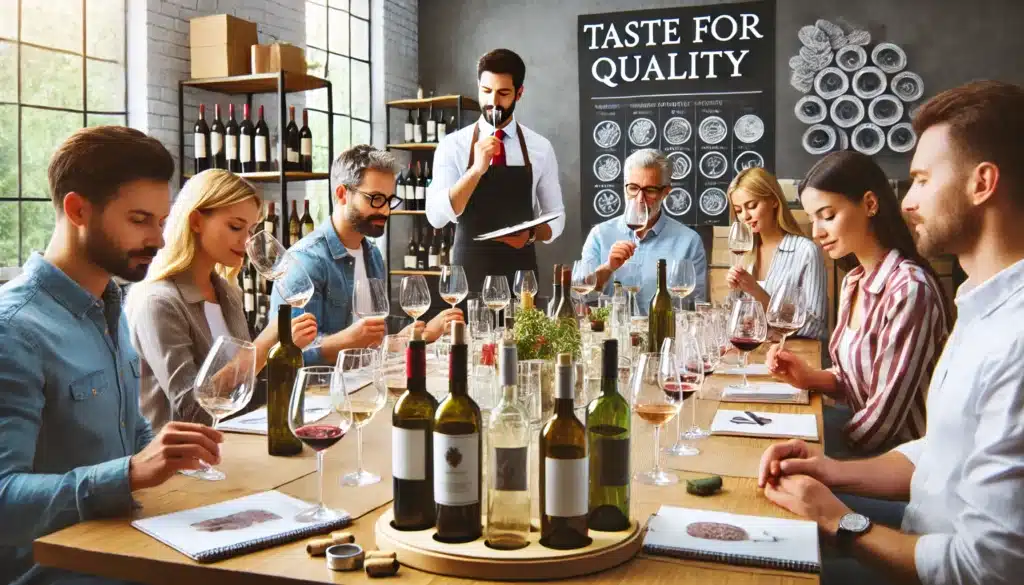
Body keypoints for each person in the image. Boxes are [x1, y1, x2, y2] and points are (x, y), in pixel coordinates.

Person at [758, 80, 1024, 585]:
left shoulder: (1013, 338)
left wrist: (837, 519)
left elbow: (986, 569)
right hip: (913, 527)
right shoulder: (983, 306)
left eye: (922, 179)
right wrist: (827, 468)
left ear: (982, 183)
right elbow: (941, 450)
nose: (907, 201)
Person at [0, 126, 224, 585]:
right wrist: (129, 473)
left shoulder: (110, 303)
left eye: (162, 222)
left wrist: (168, 454)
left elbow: (129, 432)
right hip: (68, 573)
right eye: (139, 220)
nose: (160, 241)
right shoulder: (14, 331)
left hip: (135, 547)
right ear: (78, 209)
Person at [766, 151, 951, 457]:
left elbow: (882, 423)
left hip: (902, 465)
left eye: (827, 215)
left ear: (869, 204)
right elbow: (854, 381)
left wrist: (818, 454)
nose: (816, 232)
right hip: (863, 441)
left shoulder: (909, 289)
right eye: (812, 219)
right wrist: (810, 377)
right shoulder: (854, 280)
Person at [125, 169, 318, 432]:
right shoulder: (158, 302)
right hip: (181, 464)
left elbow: (242, 390)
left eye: (251, 230)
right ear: (196, 221)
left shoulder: (227, 293)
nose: (247, 242)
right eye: (236, 227)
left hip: (233, 446)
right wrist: (266, 341)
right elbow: (191, 412)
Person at [271, 145, 462, 366]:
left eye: (389, 200)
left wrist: (410, 337)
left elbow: (372, 346)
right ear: (342, 194)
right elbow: (289, 354)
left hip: (366, 384)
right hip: (319, 393)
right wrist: (350, 340)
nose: (385, 211)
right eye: (375, 198)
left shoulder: (372, 255)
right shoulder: (304, 261)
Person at [426, 48, 566, 292]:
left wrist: (532, 234)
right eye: (486, 91)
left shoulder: (540, 148)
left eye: (503, 93)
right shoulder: (453, 146)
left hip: (521, 281)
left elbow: (557, 216)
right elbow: (436, 218)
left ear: (519, 93)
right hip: (467, 280)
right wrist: (476, 171)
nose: (493, 102)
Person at [581, 148, 707, 313]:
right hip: (610, 336)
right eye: (633, 188)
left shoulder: (689, 241)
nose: (639, 199)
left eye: (650, 190)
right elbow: (582, 298)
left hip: (665, 335)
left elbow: (695, 307)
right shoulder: (600, 235)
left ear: (665, 192)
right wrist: (608, 268)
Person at [726, 167, 828, 340]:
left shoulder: (805, 251)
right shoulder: (745, 253)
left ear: (774, 201)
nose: (745, 216)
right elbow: (735, 321)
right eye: (738, 210)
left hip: (793, 358)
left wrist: (756, 291)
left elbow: (814, 326)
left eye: (752, 206)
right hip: (752, 357)